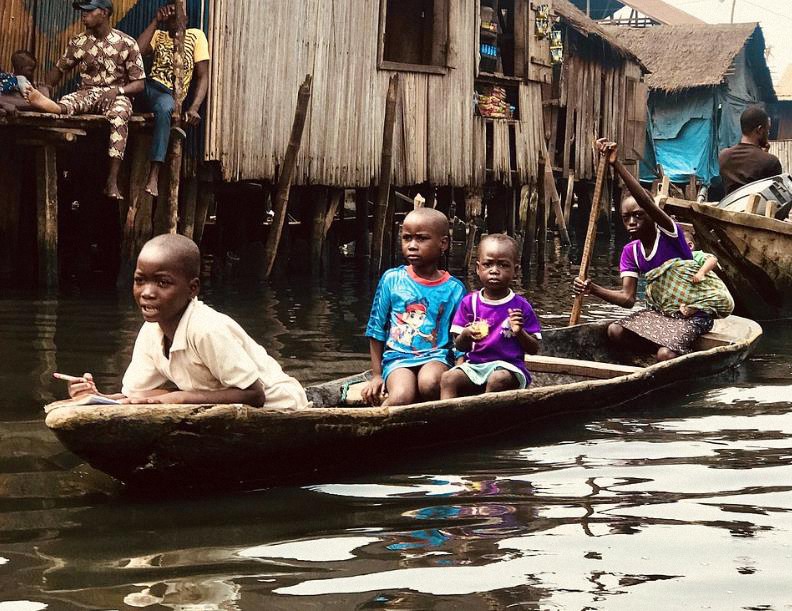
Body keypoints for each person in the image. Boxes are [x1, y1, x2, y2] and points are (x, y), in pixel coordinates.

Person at [66, 234, 308, 409]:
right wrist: (96, 397)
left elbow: (255, 395)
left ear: (192, 288)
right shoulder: (151, 330)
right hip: (223, 408)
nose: (147, 292)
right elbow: (138, 395)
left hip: (281, 407)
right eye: (140, 280)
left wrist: (179, 398)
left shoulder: (206, 329)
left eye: (162, 283)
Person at [573, 139, 711, 362]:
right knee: (614, 331)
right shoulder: (631, 252)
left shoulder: (670, 234)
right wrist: (592, 288)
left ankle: (670, 353)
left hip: (692, 316)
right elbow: (628, 299)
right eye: (626, 217)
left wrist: (616, 165)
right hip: (662, 315)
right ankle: (646, 357)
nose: (632, 222)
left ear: (650, 214)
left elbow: (647, 203)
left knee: (665, 354)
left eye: (638, 215)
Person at [23, 0, 146, 200]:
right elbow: (59, 69)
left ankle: (112, 180)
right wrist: (46, 86)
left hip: (116, 95)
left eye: (89, 11)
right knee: (69, 102)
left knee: (120, 115)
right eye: (82, 11)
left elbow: (139, 83)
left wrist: (118, 90)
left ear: (105, 12)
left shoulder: (126, 42)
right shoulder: (79, 42)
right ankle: (53, 106)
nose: (83, 15)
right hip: (87, 92)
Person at [361, 208, 466, 406]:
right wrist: (376, 375)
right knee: (401, 396)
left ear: (443, 243)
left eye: (421, 239)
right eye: (407, 238)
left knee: (430, 384)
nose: (412, 246)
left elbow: (459, 335)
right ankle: (373, 429)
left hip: (437, 357)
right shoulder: (392, 279)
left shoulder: (454, 289)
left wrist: (460, 368)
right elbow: (375, 329)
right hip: (397, 358)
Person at [440, 234, 541, 400]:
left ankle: (483, 416)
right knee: (447, 378)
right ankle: (447, 420)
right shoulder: (469, 303)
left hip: (509, 368)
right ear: (478, 269)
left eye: (503, 265)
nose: (494, 270)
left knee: (497, 379)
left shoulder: (521, 307)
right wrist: (466, 334)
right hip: (476, 366)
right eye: (488, 264)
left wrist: (520, 332)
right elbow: (460, 346)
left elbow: (534, 349)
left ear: (515, 270)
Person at [137, 1, 210, 197]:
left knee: (165, 109)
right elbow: (137, 51)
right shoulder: (159, 35)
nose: (173, 17)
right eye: (169, 12)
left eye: (177, 13)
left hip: (168, 94)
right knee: (129, 86)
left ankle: (154, 175)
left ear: (185, 17)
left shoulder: (196, 36)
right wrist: (156, 21)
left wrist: (194, 107)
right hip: (147, 87)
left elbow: (203, 76)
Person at [645, 226, 734, 320]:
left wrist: (701, 272)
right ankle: (680, 310)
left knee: (718, 299)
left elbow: (712, 260)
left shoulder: (694, 255)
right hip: (684, 297)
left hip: (699, 293)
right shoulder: (672, 262)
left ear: (690, 246)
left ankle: (693, 309)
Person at [719, 106, 782, 196]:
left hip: (729, 207)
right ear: (759, 130)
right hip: (757, 210)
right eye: (767, 130)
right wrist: (764, 156)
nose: (768, 134)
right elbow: (776, 199)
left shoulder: (723, 156)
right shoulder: (771, 162)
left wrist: (763, 154)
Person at [0, 50, 39, 116]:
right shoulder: (17, 80)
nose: (32, 74)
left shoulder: (9, 79)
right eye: (30, 70)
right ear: (20, 68)